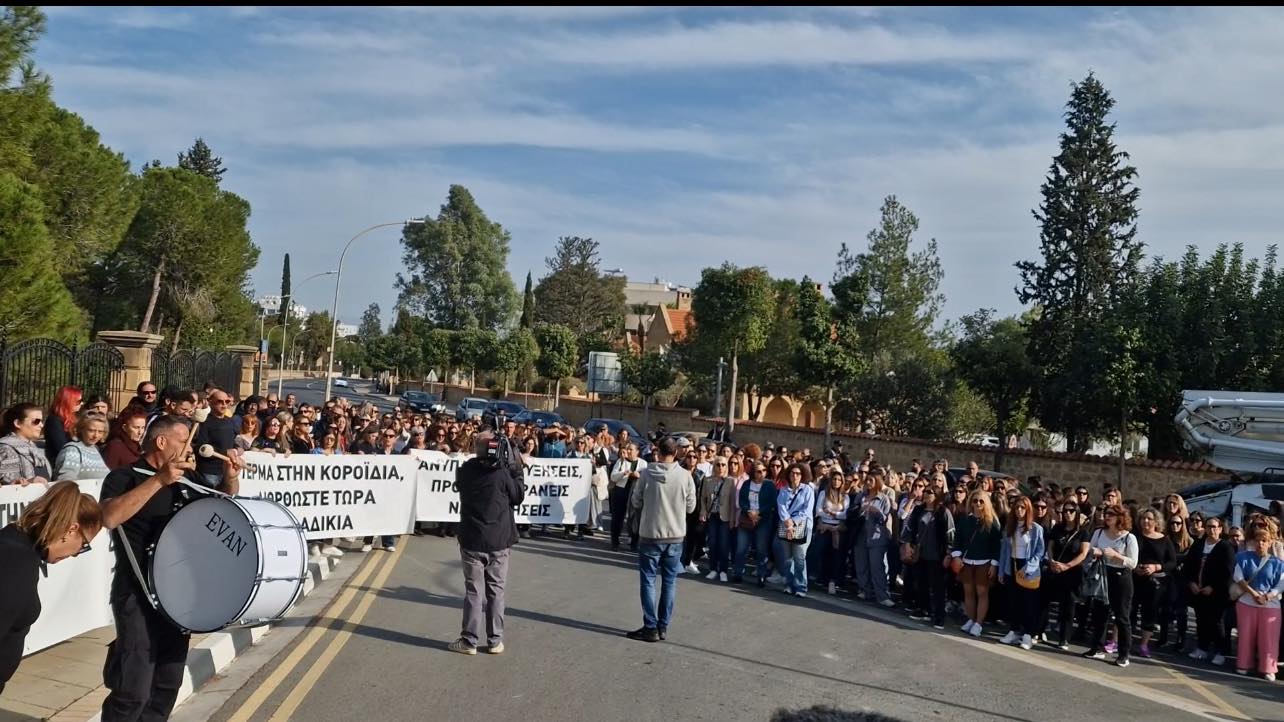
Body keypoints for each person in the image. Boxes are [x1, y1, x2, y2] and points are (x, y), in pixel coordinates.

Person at [98, 415, 243, 721]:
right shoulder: (127, 477)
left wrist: (230, 477)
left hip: (180, 598)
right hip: (137, 594)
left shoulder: (189, 480)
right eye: (183, 441)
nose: (190, 449)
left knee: (166, 685)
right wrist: (159, 480)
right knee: (133, 690)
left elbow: (224, 503)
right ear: (161, 442)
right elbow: (109, 517)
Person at [0, 480, 103, 694]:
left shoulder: (17, 544)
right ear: (72, 529)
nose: (75, 554)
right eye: (83, 545)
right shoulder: (17, 559)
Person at [447, 432, 524, 656]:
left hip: (472, 539)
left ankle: (469, 640)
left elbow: (460, 482)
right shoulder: (502, 474)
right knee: (495, 591)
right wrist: (516, 469)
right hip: (498, 541)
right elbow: (518, 495)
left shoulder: (468, 469)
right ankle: (494, 640)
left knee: (473, 591)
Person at [626, 436, 695, 642]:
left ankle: (650, 626)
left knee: (648, 581)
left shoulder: (646, 474)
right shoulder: (685, 476)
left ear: (658, 452)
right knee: (669, 582)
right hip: (675, 535)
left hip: (650, 534)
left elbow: (636, 500)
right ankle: (663, 626)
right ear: (676, 453)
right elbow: (691, 507)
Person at [1082, 505, 1138, 667]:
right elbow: (1090, 550)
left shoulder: (1129, 538)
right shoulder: (1099, 532)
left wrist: (1116, 555)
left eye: (1111, 514)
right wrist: (1096, 551)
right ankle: (1097, 648)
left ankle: (1124, 654)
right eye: (1106, 514)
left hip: (1121, 577)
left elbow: (1133, 563)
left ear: (1120, 517)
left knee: (1122, 617)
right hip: (1103, 573)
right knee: (1099, 613)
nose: (1107, 516)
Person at [1233, 524, 1284, 680]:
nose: (1260, 543)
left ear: (1269, 543)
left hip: (1270, 605)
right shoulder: (1243, 557)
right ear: (1253, 542)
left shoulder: (1278, 563)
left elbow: (1281, 584)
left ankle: (1268, 668)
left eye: (1264, 541)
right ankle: (1243, 664)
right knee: (1245, 635)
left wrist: (1268, 596)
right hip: (1247, 602)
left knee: (1269, 638)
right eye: (1258, 540)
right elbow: (1238, 577)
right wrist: (1254, 594)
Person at [1186, 516, 1236, 666]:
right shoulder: (1198, 544)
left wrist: (1213, 587)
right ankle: (1202, 648)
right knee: (1201, 621)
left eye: (1215, 526)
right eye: (1208, 526)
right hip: (1198, 591)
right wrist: (1191, 583)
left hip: (1217, 593)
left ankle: (1221, 651)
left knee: (1217, 623)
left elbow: (1228, 572)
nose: (1211, 529)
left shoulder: (1225, 547)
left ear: (1220, 529)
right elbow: (1188, 566)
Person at [998, 496, 1046, 650]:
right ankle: (1014, 631)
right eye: (1017, 507)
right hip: (1011, 565)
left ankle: (1028, 634)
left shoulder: (1036, 529)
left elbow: (1040, 551)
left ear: (1028, 510)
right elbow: (1004, 550)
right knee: (1014, 601)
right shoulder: (1009, 527)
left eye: (1022, 508)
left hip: (1027, 566)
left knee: (1028, 603)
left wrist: (1029, 568)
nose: (1019, 510)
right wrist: (1001, 570)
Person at [1041, 500, 1091, 650]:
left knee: (1068, 607)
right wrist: (1052, 561)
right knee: (1044, 602)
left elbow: (1083, 553)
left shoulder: (1083, 532)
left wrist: (1067, 566)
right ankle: (1039, 630)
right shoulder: (1057, 528)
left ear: (1076, 513)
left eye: (1071, 511)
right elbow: (1050, 546)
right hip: (1055, 570)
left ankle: (1064, 638)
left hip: (1072, 573)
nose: (1068, 513)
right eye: (1065, 511)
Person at [953, 489, 1002, 638]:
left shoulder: (992, 522)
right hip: (966, 562)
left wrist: (994, 564)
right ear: (971, 502)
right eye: (975, 501)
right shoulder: (965, 520)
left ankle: (979, 623)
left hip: (984, 563)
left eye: (981, 501)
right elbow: (958, 540)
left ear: (986, 503)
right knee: (968, 592)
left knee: (982, 593)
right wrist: (957, 556)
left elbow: (996, 546)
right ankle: (971, 619)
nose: (978, 504)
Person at [1132, 508, 1177, 658]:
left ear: (1156, 521)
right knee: (1128, 610)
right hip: (1135, 578)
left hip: (1155, 582)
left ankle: (1144, 644)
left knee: (1149, 614)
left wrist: (1156, 567)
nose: (1145, 521)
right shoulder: (1134, 537)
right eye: (1143, 518)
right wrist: (1135, 567)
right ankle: (1119, 640)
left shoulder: (1164, 539)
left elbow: (1172, 562)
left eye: (1149, 519)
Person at [911, 485, 954, 629]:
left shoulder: (943, 512)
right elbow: (911, 528)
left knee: (938, 588)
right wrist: (908, 544)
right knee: (921, 583)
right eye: (925, 492)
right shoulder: (918, 510)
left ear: (937, 495)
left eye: (930, 492)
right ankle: (923, 609)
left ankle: (939, 616)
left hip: (937, 555)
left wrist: (948, 554)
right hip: (921, 553)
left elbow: (950, 535)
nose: (926, 494)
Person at [733, 459, 779, 587]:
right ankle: (738, 572)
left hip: (763, 520)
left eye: (764, 470)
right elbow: (742, 500)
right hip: (747, 519)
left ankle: (761, 575)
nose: (762, 473)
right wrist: (749, 511)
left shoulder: (769, 485)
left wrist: (758, 513)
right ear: (753, 472)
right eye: (759, 471)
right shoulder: (747, 484)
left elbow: (771, 502)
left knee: (761, 549)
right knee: (741, 548)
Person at [776, 462, 816, 598]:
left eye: (798, 473)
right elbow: (781, 507)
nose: (795, 476)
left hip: (803, 526)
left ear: (802, 475)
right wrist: (787, 523)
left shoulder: (808, 490)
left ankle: (801, 586)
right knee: (787, 558)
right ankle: (789, 584)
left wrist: (792, 522)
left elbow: (806, 510)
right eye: (792, 473)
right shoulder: (783, 490)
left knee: (799, 557)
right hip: (786, 526)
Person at [194, 388, 239, 487]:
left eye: (227, 401)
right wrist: (225, 452)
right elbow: (201, 447)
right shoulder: (204, 422)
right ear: (210, 402)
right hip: (210, 472)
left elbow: (232, 442)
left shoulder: (230, 421)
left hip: (227, 471)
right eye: (220, 401)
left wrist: (237, 449)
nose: (224, 404)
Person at [700, 456, 734, 582]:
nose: (721, 467)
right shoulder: (707, 480)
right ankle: (713, 568)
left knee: (724, 545)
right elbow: (703, 498)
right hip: (712, 515)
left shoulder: (730, 481)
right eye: (718, 465)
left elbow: (732, 502)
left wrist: (732, 519)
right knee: (712, 544)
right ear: (714, 466)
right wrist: (703, 511)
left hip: (724, 517)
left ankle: (723, 570)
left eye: (723, 465)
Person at [0, 403, 51, 485]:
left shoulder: (34, 449)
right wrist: (24, 483)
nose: (41, 425)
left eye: (42, 421)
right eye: (36, 421)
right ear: (18, 423)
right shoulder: (6, 449)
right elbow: (6, 484)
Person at [609, 442, 646, 551]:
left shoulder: (643, 464)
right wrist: (624, 473)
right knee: (617, 517)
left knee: (635, 518)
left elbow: (646, 478)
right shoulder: (620, 462)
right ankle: (615, 541)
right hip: (621, 491)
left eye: (631, 449)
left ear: (637, 451)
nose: (628, 451)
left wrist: (638, 475)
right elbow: (613, 477)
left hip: (636, 492)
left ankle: (634, 542)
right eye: (627, 449)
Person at [54, 413, 110, 481]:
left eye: (100, 432)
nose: (96, 435)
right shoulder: (72, 449)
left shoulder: (95, 449)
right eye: (91, 430)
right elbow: (65, 480)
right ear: (81, 429)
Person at [44, 385, 83, 466]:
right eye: (78, 401)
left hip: (74, 460)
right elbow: (61, 447)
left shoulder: (74, 418)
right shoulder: (54, 421)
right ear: (69, 401)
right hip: (62, 463)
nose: (82, 403)